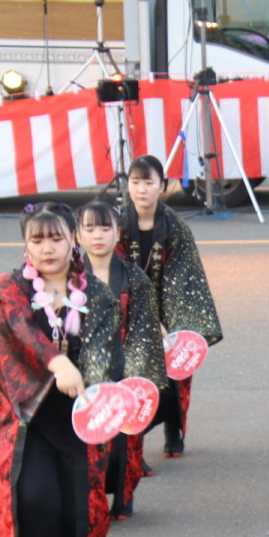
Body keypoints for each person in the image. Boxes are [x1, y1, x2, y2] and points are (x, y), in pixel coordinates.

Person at [0, 203, 122, 537]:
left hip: (80, 417)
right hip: (28, 416)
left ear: (72, 239)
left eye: (56, 238)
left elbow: (105, 354)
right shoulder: (7, 288)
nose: (47, 248)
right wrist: (57, 363)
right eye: (37, 240)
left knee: (80, 508)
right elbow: (15, 332)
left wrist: (98, 387)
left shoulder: (97, 294)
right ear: (26, 244)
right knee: (37, 499)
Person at [116, 155, 222, 460]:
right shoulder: (119, 223)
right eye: (135, 182)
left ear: (162, 186)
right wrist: (142, 317)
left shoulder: (175, 225)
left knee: (175, 373)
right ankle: (133, 450)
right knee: (134, 375)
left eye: (148, 182)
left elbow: (183, 276)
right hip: (129, 307)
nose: (141, 189)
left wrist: (168, 321)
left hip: (170, 306)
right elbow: (117, 273)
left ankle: (173, 430)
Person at [77, 200, 164, 520]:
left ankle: (124, 498)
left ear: (118, 234)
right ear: (78, 236)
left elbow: (144, 331)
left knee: (126, 440)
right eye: (89, 229)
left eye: (105, 228)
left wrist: (135, 375)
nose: (97, 235)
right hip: (83, 373)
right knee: (89, 440)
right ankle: (91, 500)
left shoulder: (134, 278)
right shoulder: (70, 278)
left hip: (125, 369)